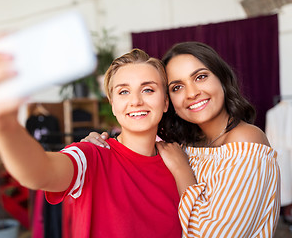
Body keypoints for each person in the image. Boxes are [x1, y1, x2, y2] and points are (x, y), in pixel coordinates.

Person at [0, 46, 183, 237]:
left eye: (148, 89)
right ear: (113, 104)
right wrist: (4, 127)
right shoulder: (91, 156)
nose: (136, 101)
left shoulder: (179, 161)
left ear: (165, 102)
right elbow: (39, 172)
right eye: (124, 91)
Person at [82, 41, 281, 237]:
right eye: (177, 87)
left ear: (222, 78)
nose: (192, 93)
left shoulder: (246, 140)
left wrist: (181, 170)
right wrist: (97, 144)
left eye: (200, 77)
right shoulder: (183, 144)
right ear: (167, 100)